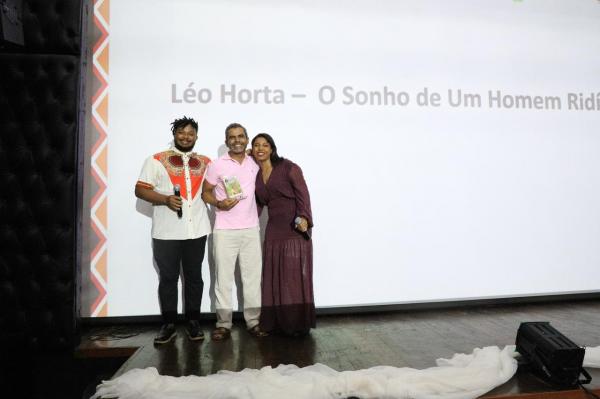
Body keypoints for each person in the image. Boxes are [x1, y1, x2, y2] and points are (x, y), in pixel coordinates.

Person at [135, 116, 211, 344]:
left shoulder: (206, 161)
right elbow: (140, 190)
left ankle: (193, 322)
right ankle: (168, 324)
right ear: (174, 134)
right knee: (168, 278)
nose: (186, 136)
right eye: (181, 132)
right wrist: (165, 199)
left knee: (194, 278)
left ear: (196, 136)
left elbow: (220, 179)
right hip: (166, 232)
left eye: (191, 133)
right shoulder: (156, 160)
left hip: (196, 230)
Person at [201, 123, 267, 341]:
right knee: (223, 279)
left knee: (252, 279)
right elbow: (206, 193)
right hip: (224, 230)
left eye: (240, 136)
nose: (236, 140)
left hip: (250, 229)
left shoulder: (254, 162)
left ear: (247, 139)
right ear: (226, 140)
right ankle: (223, 323)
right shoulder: (216, 165)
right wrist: (219, 203)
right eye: (232, 137)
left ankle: (253, 322)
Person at [251, 133, 315, 335]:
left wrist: (304, 217)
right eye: (256, 145)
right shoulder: (256, 175)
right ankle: (274, 323)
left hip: (294, 229)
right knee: (273, 276)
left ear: (272, 148)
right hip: (273, 230)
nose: (261, 148)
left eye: (265, 145)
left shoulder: (289, 167)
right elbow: (258, 205)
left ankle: (296, 324)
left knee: (292, 278)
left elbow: (303, 195)